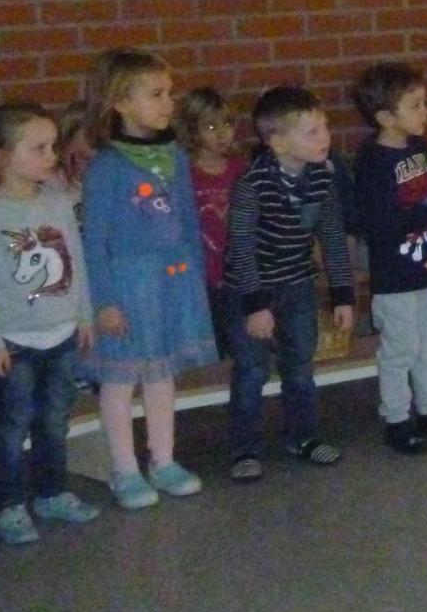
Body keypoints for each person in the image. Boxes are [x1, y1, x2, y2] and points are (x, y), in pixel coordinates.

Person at [79, 49, 216, 508]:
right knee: (121, 379)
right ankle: (123, 468)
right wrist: (104, 301)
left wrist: (195, 278)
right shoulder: (107, 167)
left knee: (161, 375)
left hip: (170, 279)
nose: (168, 102)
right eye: (156, 94)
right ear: (120, 102)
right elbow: (94, 241)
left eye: (169, 93)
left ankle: (164, 459)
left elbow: (188, 221)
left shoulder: (174, 156)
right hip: (126, 284)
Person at [0, 103, 100, 546]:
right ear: (3, 158)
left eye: (52, 146)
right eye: (38, 148)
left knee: (54, 418)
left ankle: (51, 490)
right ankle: (9, 503)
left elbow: (75, 260)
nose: (51, 156)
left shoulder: (57, 203)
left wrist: (82, 314)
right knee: (12, 423)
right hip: (15, 342)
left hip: (61, 333)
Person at [223, 86, 356, 479]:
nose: (325, 138)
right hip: (252, 289)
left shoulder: (321, 179)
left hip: (297, 284)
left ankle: (304, 436)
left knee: (300, 365)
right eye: (312, 132)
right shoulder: (253, 185)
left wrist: (342, 294)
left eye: (325, 128)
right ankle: (243, 448)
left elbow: (332, 237)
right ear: (278, 142)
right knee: (251, 370)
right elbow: (241, 247)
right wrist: (255, 303)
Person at [351, 61, 427, 454]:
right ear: (386, 116)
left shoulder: (421, 149)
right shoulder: (372, 162)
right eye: (416, 105)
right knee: (400, 348)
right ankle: (397, 418)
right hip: (395, 275)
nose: (425, 112)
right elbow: (383, 221)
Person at [179, 86, 242, 360]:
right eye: (211, 126)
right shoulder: (185, 172)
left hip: (236, 272)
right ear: (193, 131)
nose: (222, 134)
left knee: (237, 339)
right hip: (199, 273)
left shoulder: (241, 169)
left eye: (227, 124)